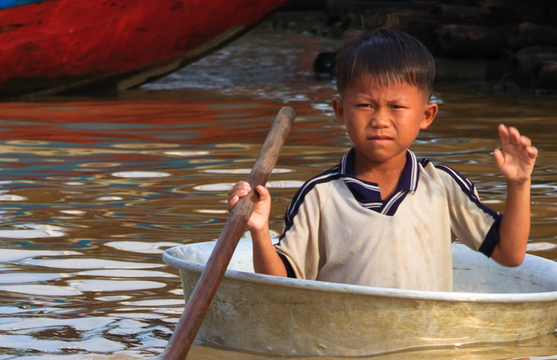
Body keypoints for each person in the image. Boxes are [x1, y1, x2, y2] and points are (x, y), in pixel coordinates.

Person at [227, 27, 538, 292]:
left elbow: (509, 254)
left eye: (396, 107)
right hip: (343, 353)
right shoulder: (320, 195)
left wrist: (518, 183)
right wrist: (259, 230)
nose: (380, 120)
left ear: (426, 115)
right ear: (339, 111)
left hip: (424, 348)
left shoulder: (441, 187)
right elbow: (280, 285)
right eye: (365, 105)